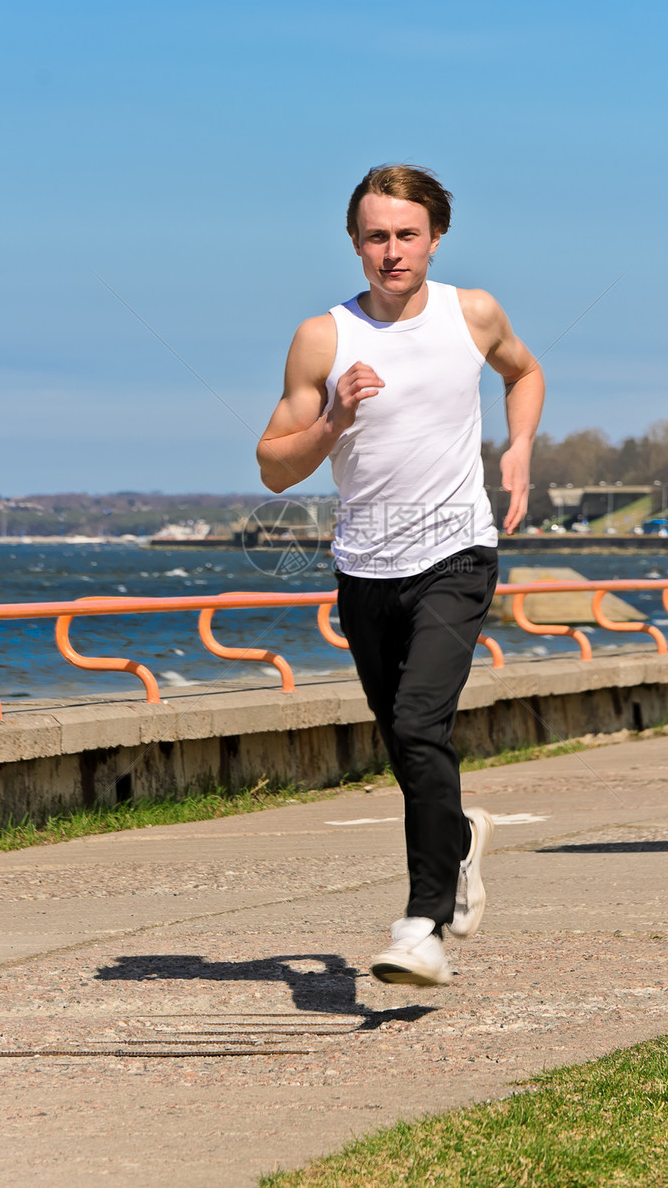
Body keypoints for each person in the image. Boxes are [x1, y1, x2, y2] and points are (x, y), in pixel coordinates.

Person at [257, 165, 544, 986]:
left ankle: (425, 923)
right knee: (405, 739)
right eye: (376, 237)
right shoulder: (324, 337)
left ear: (434, 238)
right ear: (355, 243)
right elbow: (275, 467)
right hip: (367, 570)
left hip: (457, 555)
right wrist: (334, 418)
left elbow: (524, 373)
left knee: (421, 724)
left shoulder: (472, 312)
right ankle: (458, 840)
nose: (392, 252)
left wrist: (518, 445)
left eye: (406, 234)